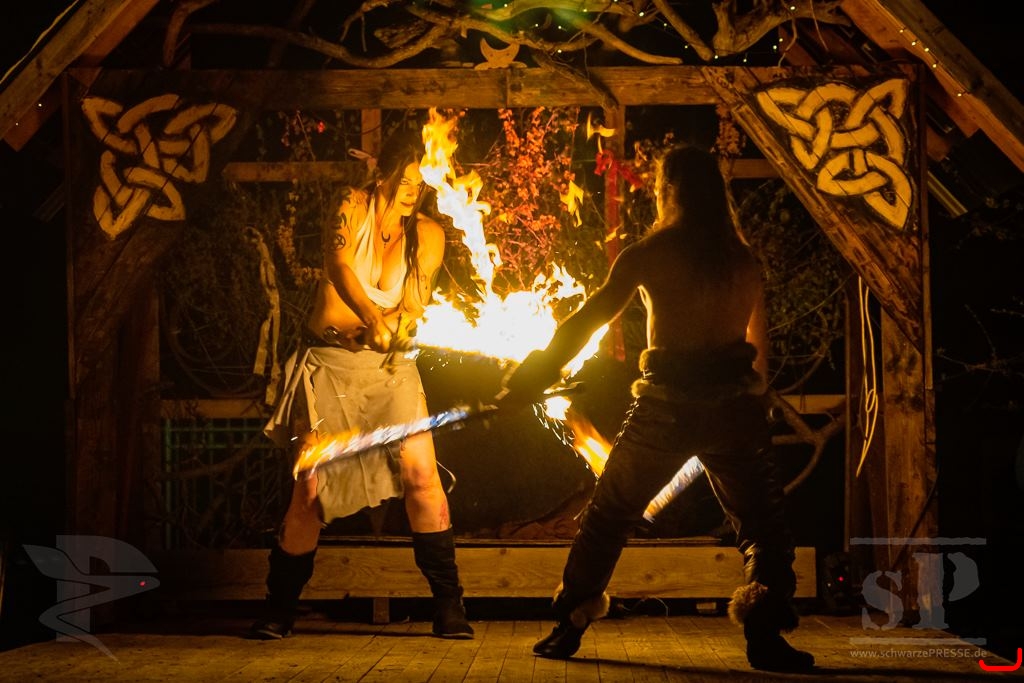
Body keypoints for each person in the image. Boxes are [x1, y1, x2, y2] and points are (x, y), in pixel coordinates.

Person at [497, 144, 814, 672]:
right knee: (763, 527)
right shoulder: (741, 259)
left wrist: (534, 375)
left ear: (669, 190)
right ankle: (765, 633)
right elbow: (759, 351)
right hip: (733, 411)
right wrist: (749, 405)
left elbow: (588, 320)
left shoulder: (650, 252)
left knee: (608, 517)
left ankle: (570, 622)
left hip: (665, 411)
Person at [250, 129, 474, 640]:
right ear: (382, 173)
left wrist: (397, 326)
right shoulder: (350, 205)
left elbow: (415, 304)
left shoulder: (428, 235)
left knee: (422, 476)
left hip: (390, 371)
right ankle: (278, 609)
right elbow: (337, 266)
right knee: (310, 487)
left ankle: (449, 606)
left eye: (421, 182)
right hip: (329, 363)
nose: (413, 190)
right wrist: (371, 317)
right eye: (405, 179)